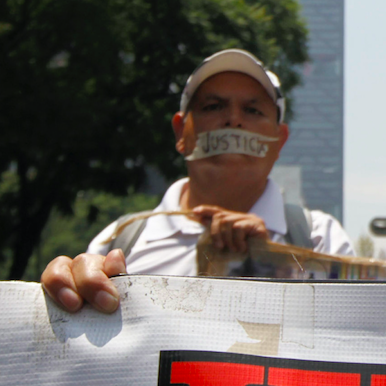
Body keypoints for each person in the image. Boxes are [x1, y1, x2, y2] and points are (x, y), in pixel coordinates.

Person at [41, 49, 353, 313]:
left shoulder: (318, 239)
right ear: (181, 133)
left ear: (279, 140)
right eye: (213, 107)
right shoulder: (119, 242)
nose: (233, 121)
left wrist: (273, 263)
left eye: (253, 109)